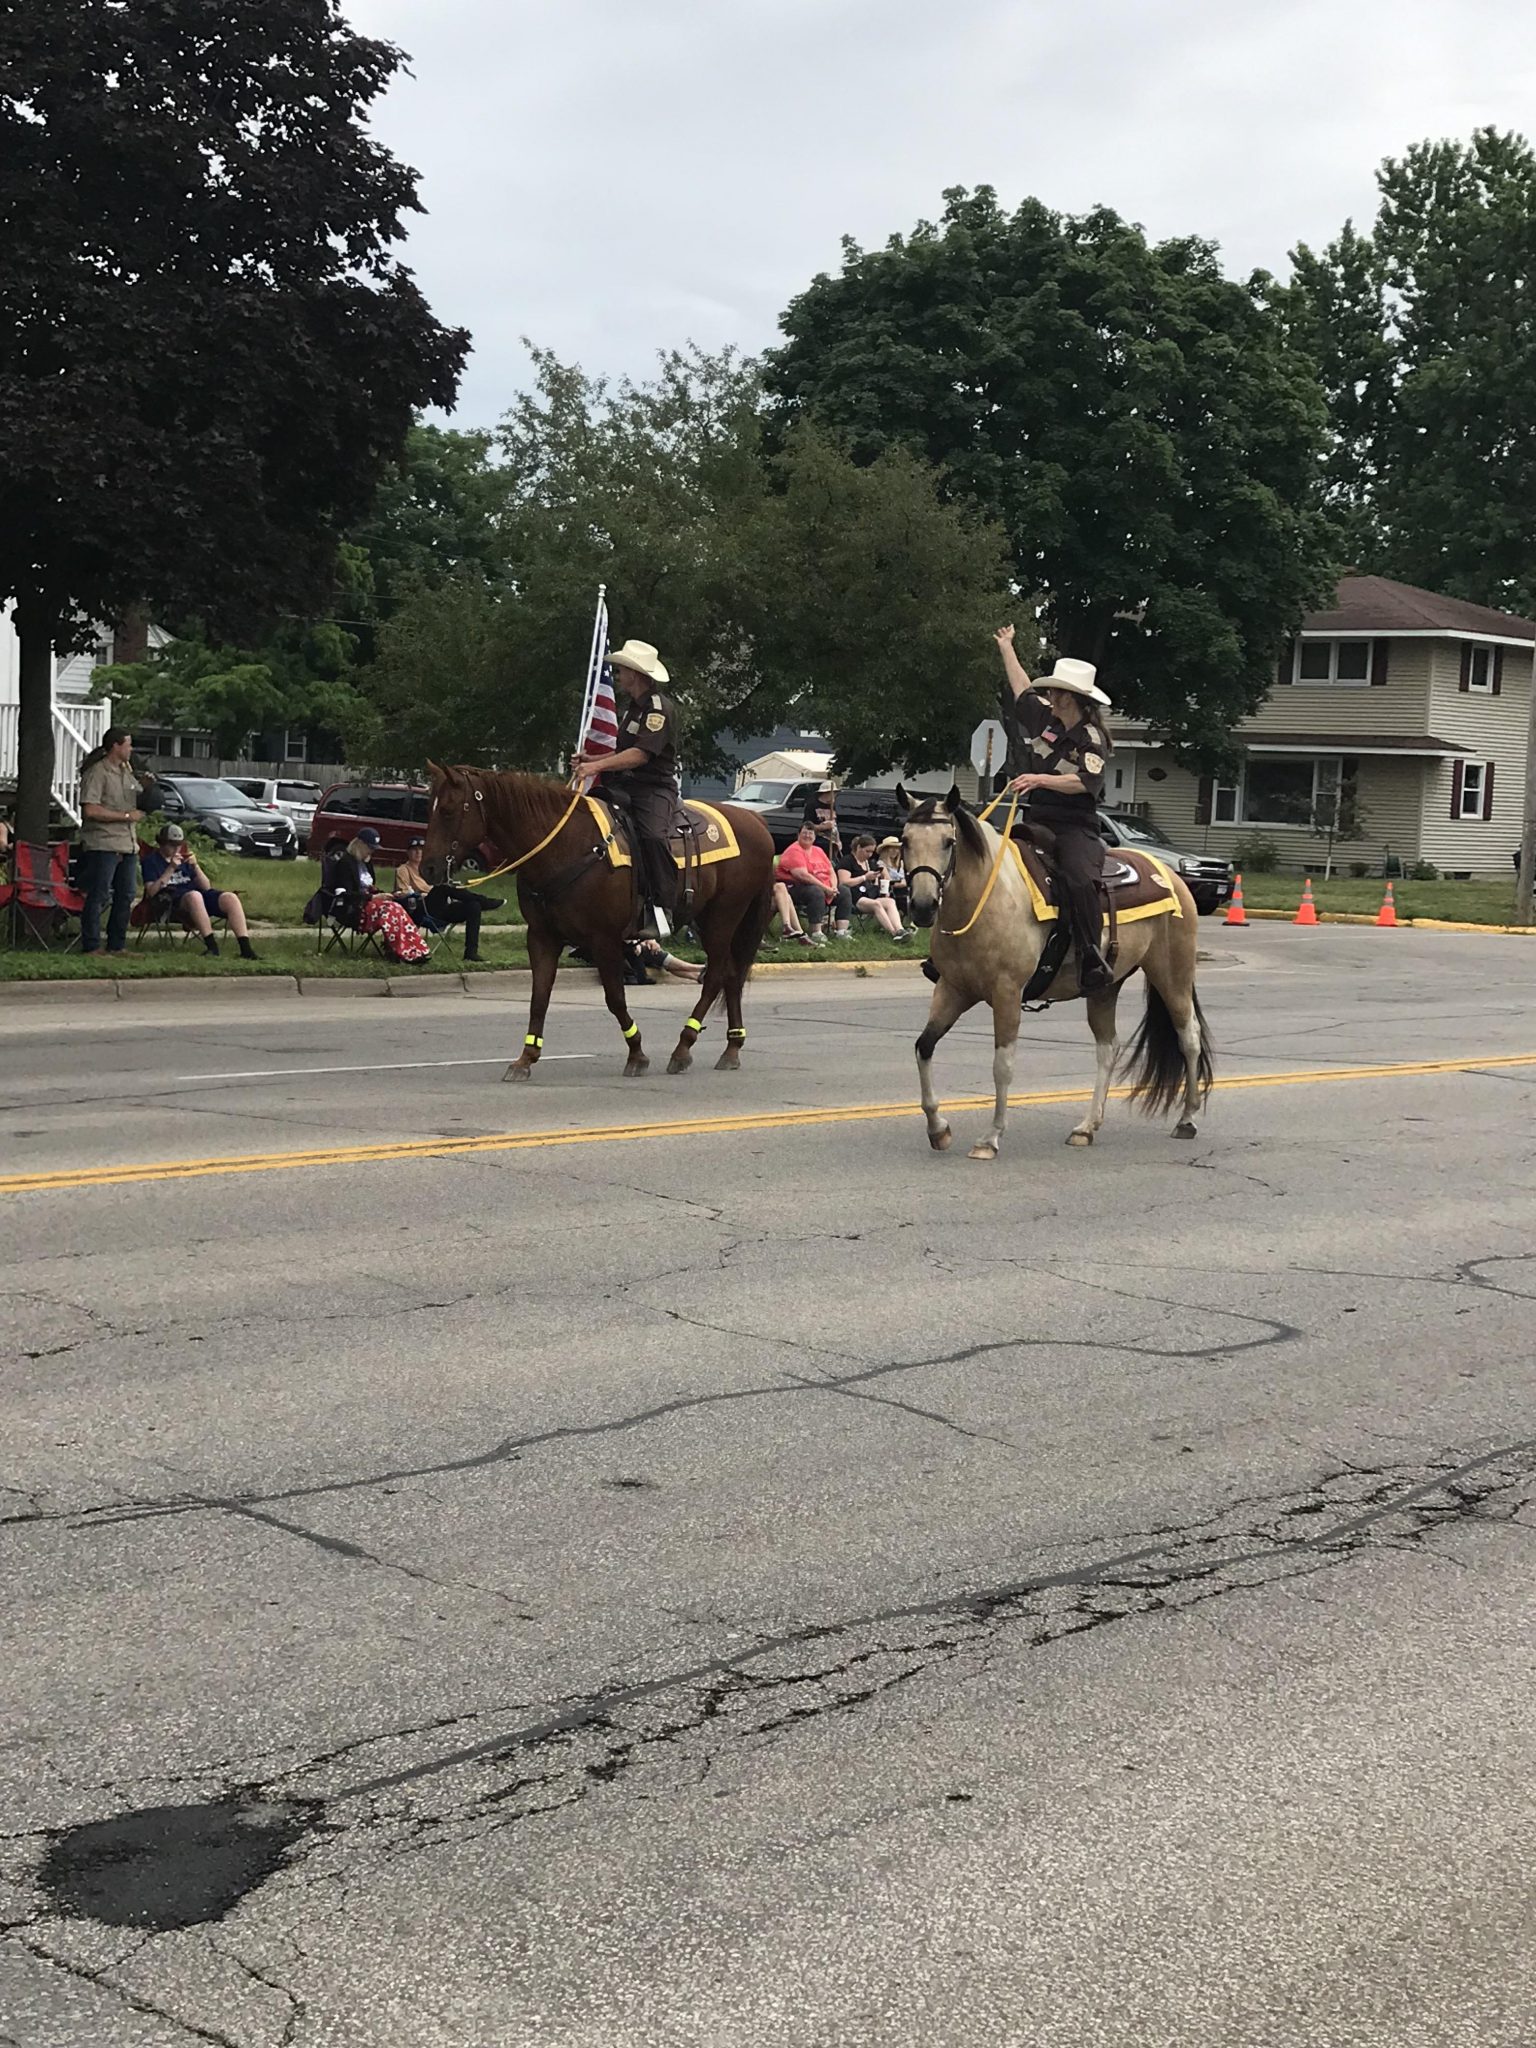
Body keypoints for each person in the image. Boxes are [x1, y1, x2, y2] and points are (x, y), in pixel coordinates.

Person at [995, 626, 1117, 991]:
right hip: (1037, 819)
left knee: (1079, 878)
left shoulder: (1091, 738)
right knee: (993, 862)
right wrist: (1006, 647)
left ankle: (1091, 955)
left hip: (1074, 826)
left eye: (1056, 691)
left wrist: (1039, 779)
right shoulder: (1045, 719)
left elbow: (1086, 782)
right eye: (1050, 690)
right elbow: (1021, 688)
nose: (1049, 695)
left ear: (1073, 698)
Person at [571, 637, 681, 937]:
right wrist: (593, 759)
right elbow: (623, 752)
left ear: (635, 674)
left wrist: (595, 768)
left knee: (653, 836)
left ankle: (663, 908)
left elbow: (641, 755)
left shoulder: (657, 710)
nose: (618, 675)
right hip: (625, 785)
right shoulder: (633, 709)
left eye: (622, 670)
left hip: (652, 788)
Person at [78, 726, 154, 955]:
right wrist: (126, 816)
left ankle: (117, 944)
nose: (131, 749)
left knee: (126, 894)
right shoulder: (97, 773)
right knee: (99, 894)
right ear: (115, 746)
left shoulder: (126, 771)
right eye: (128, 745)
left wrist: (146, 788)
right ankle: (91, 945)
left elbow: (133, 799)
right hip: (103, 843)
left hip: (127, 842)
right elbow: (90, 810)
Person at [139, 825, 259, 957]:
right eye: (172, 845)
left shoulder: (183, 859)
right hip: (171, 900)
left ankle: (246, 950)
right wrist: (171, 868)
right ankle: (212, 947)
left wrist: (196, 866)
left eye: (179, 845)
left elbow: (206, 887)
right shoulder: (151, 861)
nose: (176, 848)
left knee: (230, 898)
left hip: (197, 896)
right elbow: (151, 892)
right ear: (162, 843)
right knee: (195, 896)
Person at [394, 838, 503, 963]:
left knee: (473, 906)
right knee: (442, 888)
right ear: (407, 852)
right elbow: (403, 893)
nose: (418, 852)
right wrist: (422, 894)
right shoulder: (403, 870)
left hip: (441, 907)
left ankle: (471, 953)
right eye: (414, 850)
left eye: (421, 850)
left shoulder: (429, 869)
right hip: (421, 908)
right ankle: (486, 902)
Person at [336, 828, 429, 963]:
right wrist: (373, 898)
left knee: (398, 907)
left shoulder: (366, 863)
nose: (372, 852)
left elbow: (371, 887)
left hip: (371, 904)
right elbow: (346, 894)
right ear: (360, 845)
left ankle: (417, 949)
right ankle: (400, 951)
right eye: (370, 848)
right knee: (390, 910)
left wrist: (387, 894)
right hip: (356, 908)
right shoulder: (345, 864)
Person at [776, 822, 839, 944]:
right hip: (795, 886)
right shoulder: (794, 850)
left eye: (811, 833)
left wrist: (834, 887)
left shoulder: (818, 850)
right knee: (816, 892)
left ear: (815, 837)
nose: (807, 836)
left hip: (823, 885)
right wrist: (825, 888)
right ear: (798, 835)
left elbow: (831, 870)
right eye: (804, 833)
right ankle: (816, 931)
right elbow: (802, 876)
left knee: (844, 891)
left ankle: (841, 930)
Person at [839, 833, 909, 940]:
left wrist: (883, 886)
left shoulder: (871, 864)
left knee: (890, 902)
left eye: (872, 852)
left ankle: (900, 930)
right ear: (858, 847)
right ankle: (893, 933)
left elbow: (883, 879)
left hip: (871, 894)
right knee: (876, 904)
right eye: (867, 851)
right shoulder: (847, 861)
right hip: (855, 896)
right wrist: (864, 877)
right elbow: (843, 882)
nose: (870, 854)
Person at [874, 837, 910, 921]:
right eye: (892, 848)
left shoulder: (901, 863)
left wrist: (904, 882)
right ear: (885, 850)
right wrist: (903, 883)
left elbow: (905, 879)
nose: (895, 851)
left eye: (897, 848)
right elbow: (888, 880)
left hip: (904, 890)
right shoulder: (881, 864)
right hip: (891, 891)